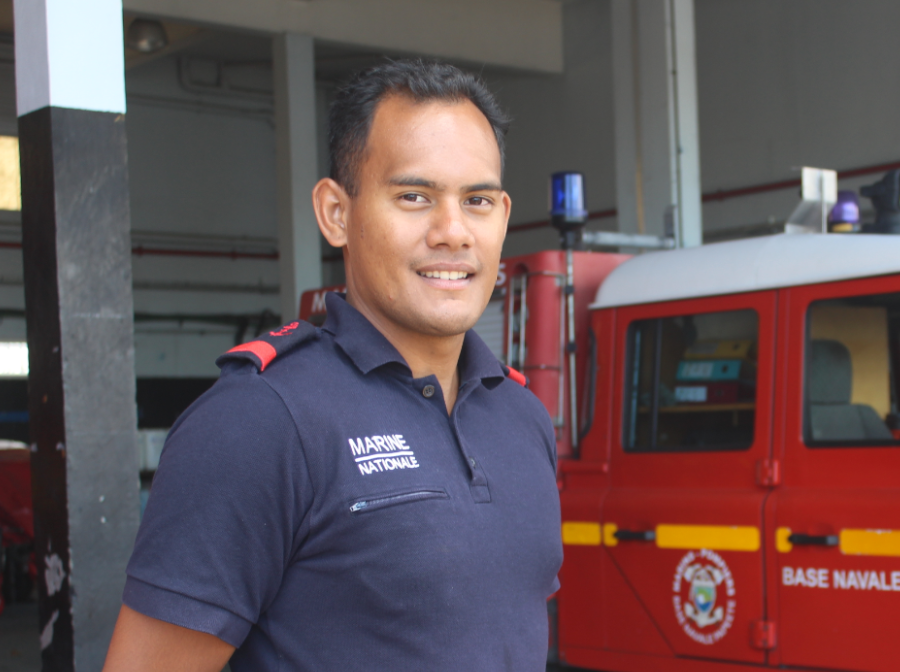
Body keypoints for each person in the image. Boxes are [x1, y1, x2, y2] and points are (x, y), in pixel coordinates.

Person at [102, 60, 562, 672]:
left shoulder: (523, 418)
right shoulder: (260, 422)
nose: (453, 232)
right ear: (336, 213)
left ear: (503, 217)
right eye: (414, 196)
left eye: (476, 200)